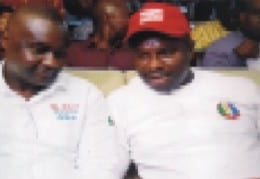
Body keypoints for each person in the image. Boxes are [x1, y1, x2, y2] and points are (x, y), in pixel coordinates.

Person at [0, 5, 119, 179]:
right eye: (39, 50)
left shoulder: (86, 96)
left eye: (59, 53)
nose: (51, 62)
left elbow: (102, 165)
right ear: (5, 40)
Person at [108, 2, 260, 179]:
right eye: (143, 55)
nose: (154, 65)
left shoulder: (242, 89)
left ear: (190, 49)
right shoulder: (120, 102)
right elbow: (108, 168)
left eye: (166, 53)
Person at [66, 0, 135, 70]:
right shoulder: (75, 53)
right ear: (107, 18)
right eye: (126, 17)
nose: (129, 22)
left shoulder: (134, 53)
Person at [202, 0, 260, 70]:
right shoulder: (222, 50)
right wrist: (237, 57)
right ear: (243, 17)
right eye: (258, 13)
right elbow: (214, 78)